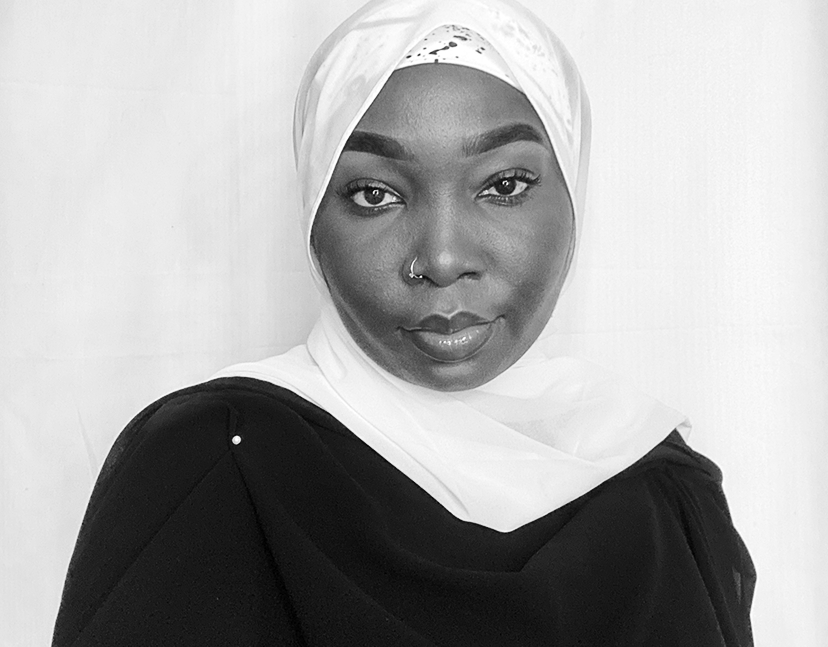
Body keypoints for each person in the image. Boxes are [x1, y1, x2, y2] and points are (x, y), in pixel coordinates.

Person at [52, 0, 755, 644]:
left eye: (504, 185)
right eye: (375, 194)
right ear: (312, 219)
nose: (442, 259)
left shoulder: (660, 490)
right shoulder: (213, 466)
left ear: (573, 193)